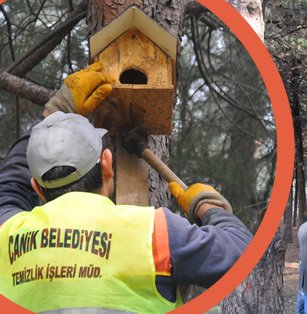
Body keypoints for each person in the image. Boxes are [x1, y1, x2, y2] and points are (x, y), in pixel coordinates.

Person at [0, 63, 252, 313]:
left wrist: (53, 117)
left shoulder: (7, 234)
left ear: (37, 187)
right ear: (107, 164)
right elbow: (243, 254)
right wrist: (207, 206)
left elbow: (9, 189)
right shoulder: (154, 233)